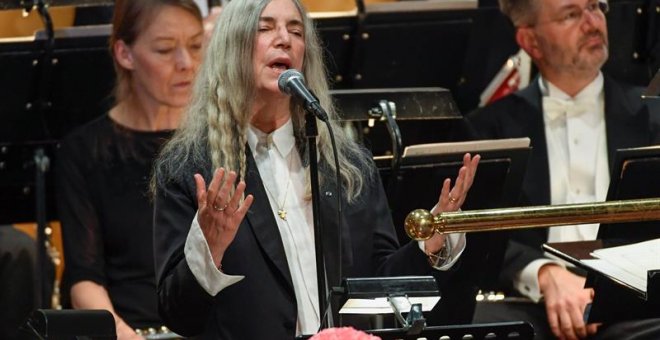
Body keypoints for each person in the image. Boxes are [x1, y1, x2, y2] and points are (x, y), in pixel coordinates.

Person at [151, 0, 480, 338]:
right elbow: (180, 316)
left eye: (296, 30)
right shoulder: (189, 168)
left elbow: (378, 286)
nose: (284, 39)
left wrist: (432, 241)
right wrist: (210, 248)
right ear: (230, 48)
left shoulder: (347, 163)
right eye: (264, 28)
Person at [466, 0, 660, 339]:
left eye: (596, 7)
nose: (592, 23)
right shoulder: (488, 129)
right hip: (530, 307)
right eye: (571, 14)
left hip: (637, 304)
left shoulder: (654, 117)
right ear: (530, 42)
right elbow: (476, 231)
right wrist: (543, 273)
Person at [56, 0, 203, 339]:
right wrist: (124, 335)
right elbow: (84, 277)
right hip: (129, 330)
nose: (186, 63)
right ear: (125, 54)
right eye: (165, 50)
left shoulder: (217, 137)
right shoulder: (85, 150)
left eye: (196, 46)